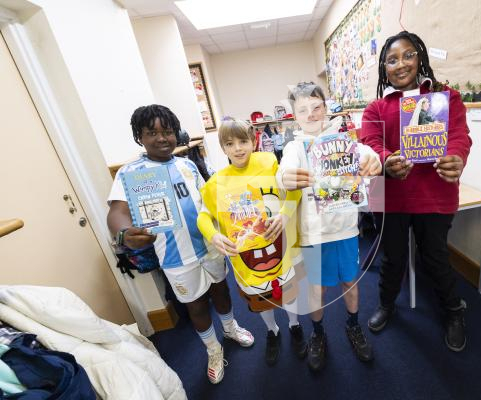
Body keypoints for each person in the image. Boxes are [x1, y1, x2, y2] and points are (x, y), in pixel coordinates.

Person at [107, 105, 254, 385]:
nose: (162, 138)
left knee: (222, 291)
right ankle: (213, 350)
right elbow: (117, 212)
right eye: (152, 133)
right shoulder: (130, 174)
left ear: (176, 134)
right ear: (140, 137)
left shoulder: (187, 165)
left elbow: (207, 202)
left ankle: (231, 328)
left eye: (168, 132)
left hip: (210, 247)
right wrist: (124, 233)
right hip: (176, 257)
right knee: (196, 306)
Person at [359, 31, 472, 352]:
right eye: (392, 60)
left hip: (433, 193)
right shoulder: (376, 108)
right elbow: (369, 144)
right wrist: (385, 161)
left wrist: (456, 157)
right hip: (390, 196)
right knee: (393, 258)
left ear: (420, 56)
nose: (401, 64)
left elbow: (459, 136)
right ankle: (386, 304)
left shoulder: (445, 97)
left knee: (435, 257)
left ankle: (453, 311)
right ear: (384, 69)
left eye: (408, 55)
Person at [276, 82, 382, 371]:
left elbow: (367, 154)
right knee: (317, 288)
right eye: (303, 110)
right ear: (294, 115)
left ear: (326, 107)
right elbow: (283, 171)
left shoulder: (345, 140)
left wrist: (374, 161)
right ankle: (318, 333)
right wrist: (285, 178)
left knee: (350, 280)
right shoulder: (295, 147)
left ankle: (352, 325)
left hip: (346, 229)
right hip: (314, 233)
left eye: (316, 107)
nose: (311, 114)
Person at [197, 119, 308, 366]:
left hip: (278, 245)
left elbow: (294, 190)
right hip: (246, 257)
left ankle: (294, 325)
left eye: (243, 141)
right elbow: (203, 216)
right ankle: (272, 331)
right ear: (222, 148)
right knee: (261, 298)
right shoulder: (216, 183)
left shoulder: (269, 163)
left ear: (254, 141)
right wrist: (214, 235)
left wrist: (284, 215)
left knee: (288, 291)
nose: (238, 148)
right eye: (230, 143)